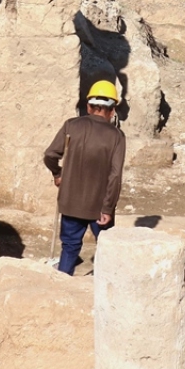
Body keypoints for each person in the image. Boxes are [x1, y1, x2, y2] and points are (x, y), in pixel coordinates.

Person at [43, 80, 126, 275]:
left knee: (70, 247)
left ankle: (63, 284)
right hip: (99, 207)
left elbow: (49, 155)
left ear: (88, 106)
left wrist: (58, 174)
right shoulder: (117, 136)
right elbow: (115, 176)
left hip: (70, 202)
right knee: (107, 248)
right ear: (113, 110)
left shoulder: (71, 126)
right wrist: (107, 208)